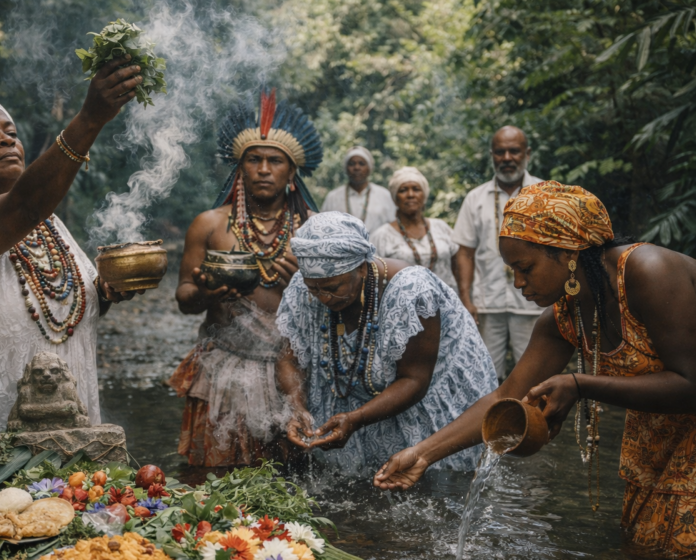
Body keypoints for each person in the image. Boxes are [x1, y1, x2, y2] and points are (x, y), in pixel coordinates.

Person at [375, 182, 696, 559]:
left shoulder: (649, 271)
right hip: (661, 427)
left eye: (525, 268)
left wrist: (579, 385)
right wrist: (422, 454)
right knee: (647, 543)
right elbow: (506, 396)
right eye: (512, 271)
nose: (518, 283)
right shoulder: (565, 317)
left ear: (567, 253)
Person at [0, 56, 143, 432]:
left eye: (11, 133)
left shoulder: (47, 223)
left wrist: (105, 291)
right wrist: (89, 119)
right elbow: (23, 206)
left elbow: (61, 312)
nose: (7, 140)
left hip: (68, 433)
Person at [275, 212, 497, 474]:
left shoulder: (411, 290)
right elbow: (289, 358)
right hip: (358, 412)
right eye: (314, 289)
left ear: (361, 267)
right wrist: (297, 407)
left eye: (333, 287)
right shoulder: (303, 287)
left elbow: (414, 380)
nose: (323, 298)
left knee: (428, 482)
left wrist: (356, 418)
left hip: (422, 407)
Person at [170, 89, 324, 467]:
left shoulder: (315, 231)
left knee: (291, 475)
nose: (264, 169)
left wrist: (304, 287)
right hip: (225, 367)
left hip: (292, 370)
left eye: (275, 160)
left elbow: (340, 304)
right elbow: (184, 298)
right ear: (240, 168)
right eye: (254, 159)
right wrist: (207, 294)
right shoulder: (209, 224)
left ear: (292, 172)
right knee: (217, 478)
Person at [453, 126, 544, 381]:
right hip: (487, 302)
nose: (507, 158)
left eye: (514, 151)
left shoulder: (544, 194)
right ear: (491, 155)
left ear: (527, 154)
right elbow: (465, 253)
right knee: (485, 375)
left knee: (535, 375)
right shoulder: (475, 198)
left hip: (534, 302)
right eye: (500, 152)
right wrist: (465, 299)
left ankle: (534, 410)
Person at [370, 166, 459, 290]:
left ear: (424, 195)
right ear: (395, 198)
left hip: (446, 300)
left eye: (416, 189)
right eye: (403, 190)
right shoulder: (381, 236)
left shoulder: (441, 227)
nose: (410, 195)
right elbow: (374, 278)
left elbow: (458, 265)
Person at [320, 147, 396, 234]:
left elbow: (394, 227)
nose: (356, 167)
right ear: (346, 168)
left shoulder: (384, 195)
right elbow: (323, 228)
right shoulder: (333, 197)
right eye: (352, 164)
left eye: (361, 163)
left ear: (369, 168)